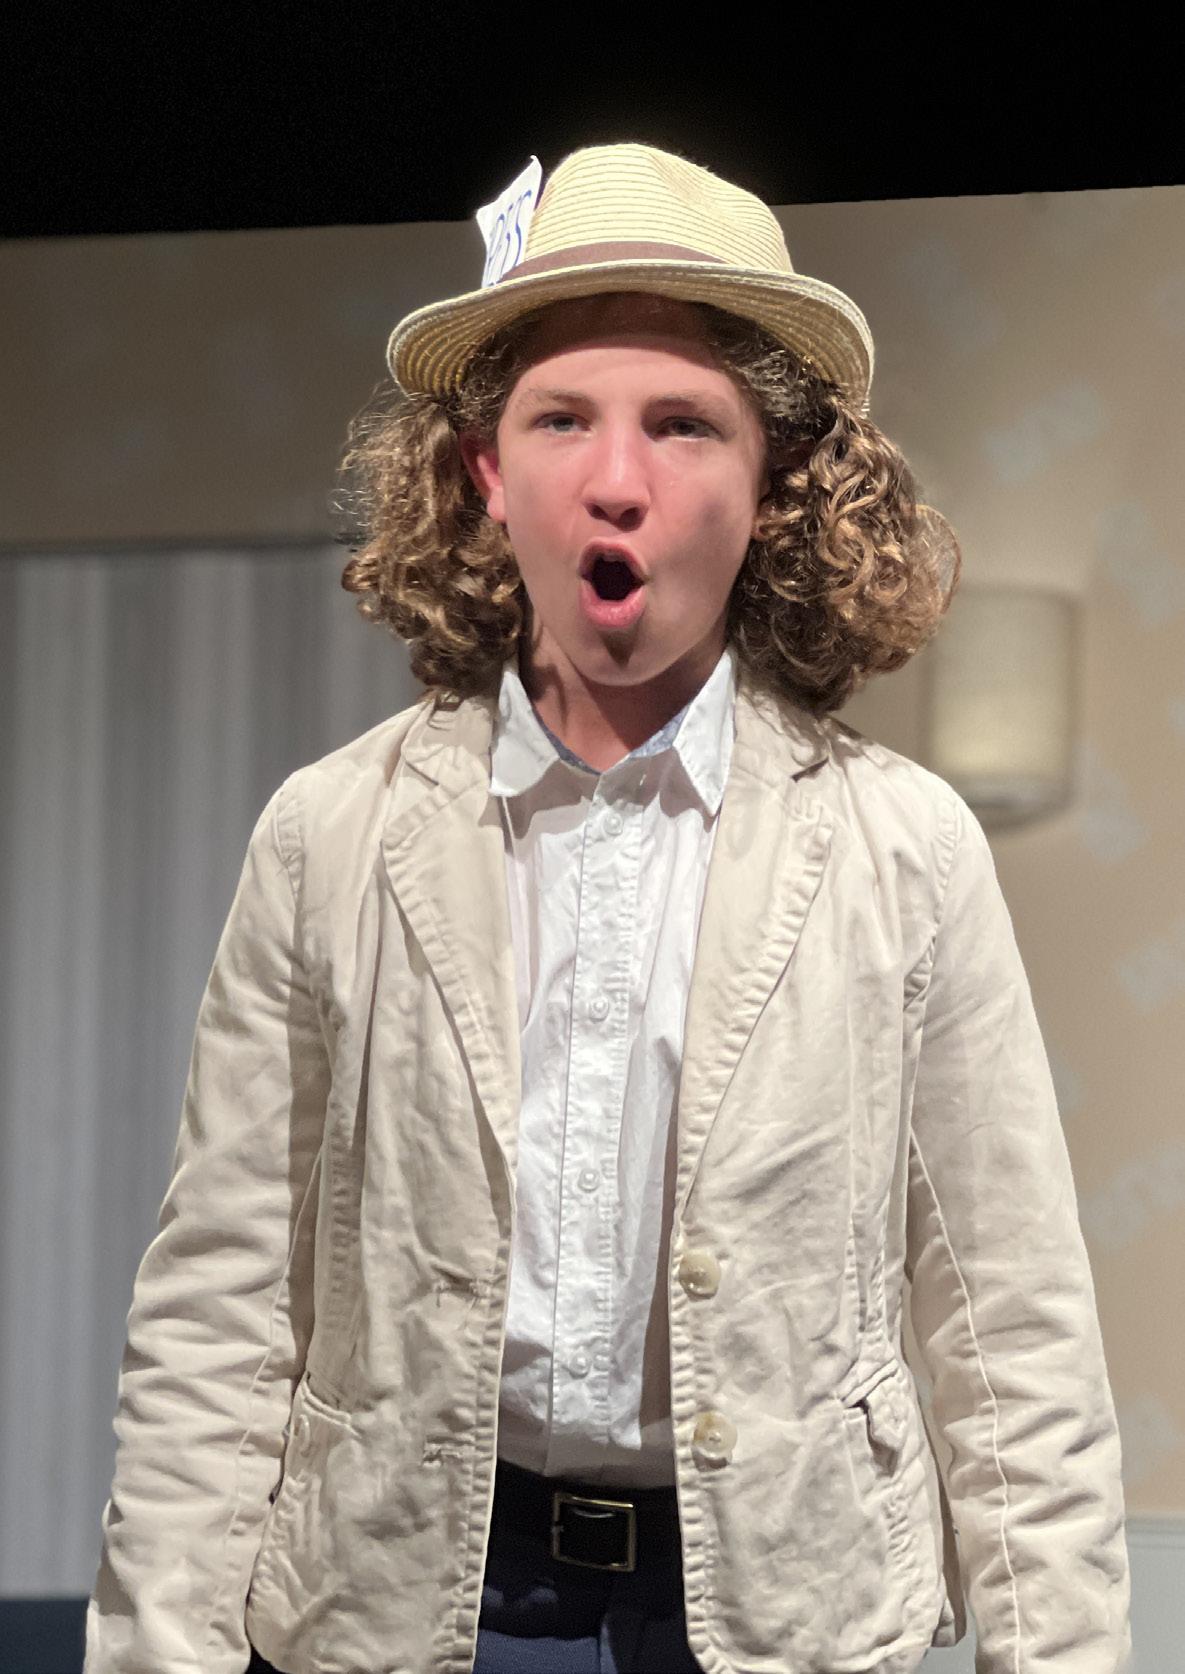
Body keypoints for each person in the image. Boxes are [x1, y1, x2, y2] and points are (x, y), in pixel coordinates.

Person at [84, 143, 1132, 1674]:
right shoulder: (329, 833)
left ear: (771, 482)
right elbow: (220, 1312)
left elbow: (1007, 1324)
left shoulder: (904, 848)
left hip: (785, 1612)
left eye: (683, 423)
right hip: (408, 1604)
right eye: (561, 417)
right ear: (485, 473)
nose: (618, 477)